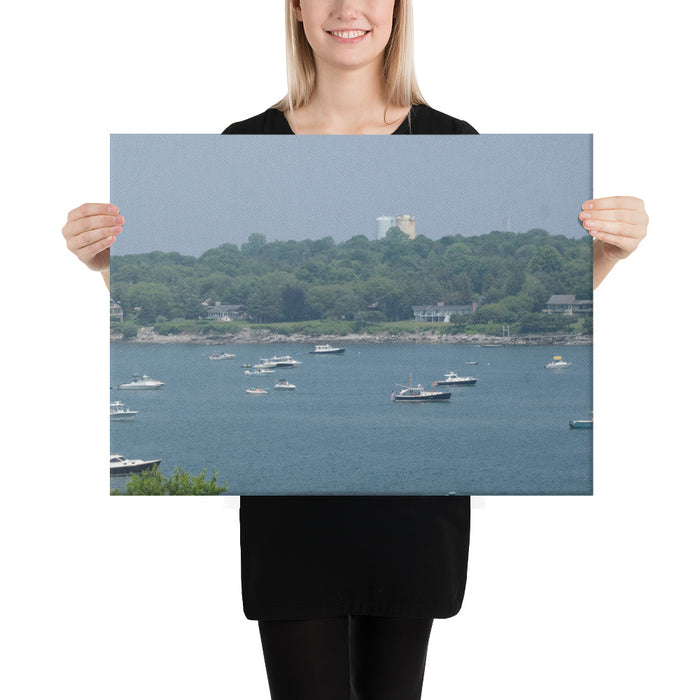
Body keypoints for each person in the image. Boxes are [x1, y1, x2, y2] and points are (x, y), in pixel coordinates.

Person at [62, 1, 648, 698]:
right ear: (298, 9)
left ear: (398, 10)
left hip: (415, 507)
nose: (348, 8)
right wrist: (107, 265)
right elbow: (158, 289)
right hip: (290, 512)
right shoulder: (240, 143)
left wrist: (606, 257)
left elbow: (548, 292)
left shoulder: (456, 141)